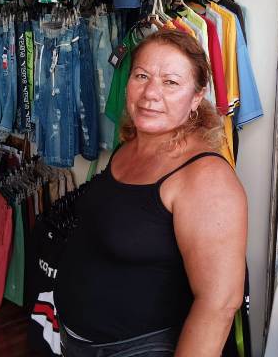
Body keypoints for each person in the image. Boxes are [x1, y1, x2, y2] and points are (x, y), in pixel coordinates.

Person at [54, 29, 248, 356]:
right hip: (82, 342)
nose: (150, 94)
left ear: (197, 98)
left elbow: (219, 305)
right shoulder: (128, 148)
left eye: (170, 82)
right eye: (141, 76)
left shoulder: (205, 177)